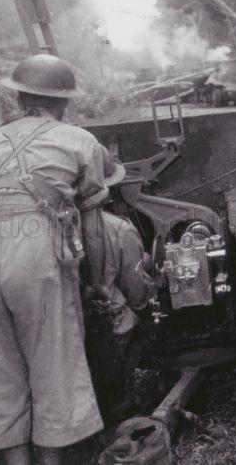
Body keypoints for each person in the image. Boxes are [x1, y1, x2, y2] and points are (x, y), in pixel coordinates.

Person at [0, 54, 110, 465]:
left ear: (20, 99)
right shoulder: (79, 140)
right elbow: (92, 222)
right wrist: (98, 282)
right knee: (52, 357)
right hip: (33, 245)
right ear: (64, 103)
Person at [84, 160, 151, 421]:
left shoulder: (53, 227)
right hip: (111, 335)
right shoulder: (119, 230)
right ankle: (117, 396)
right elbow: (138, 296)